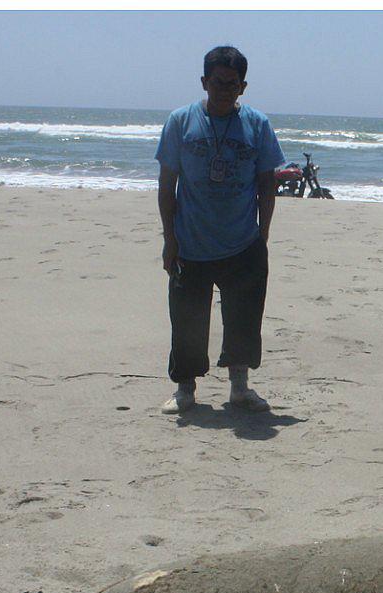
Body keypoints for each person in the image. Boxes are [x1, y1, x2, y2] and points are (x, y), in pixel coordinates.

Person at [156, 45, 285, 414]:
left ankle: (240, 388)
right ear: (204, 82)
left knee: (244, 319)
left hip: (242, 242)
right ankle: (185, 390)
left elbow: (267, 184)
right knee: (187, 321)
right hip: (191, 241)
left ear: (243, 87)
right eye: (218, 82)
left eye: (233, 84)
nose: (224, 90)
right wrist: (170, 238)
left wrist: (262, 236)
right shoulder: (181, 121)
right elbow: (168, 185)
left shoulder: (257, 125)